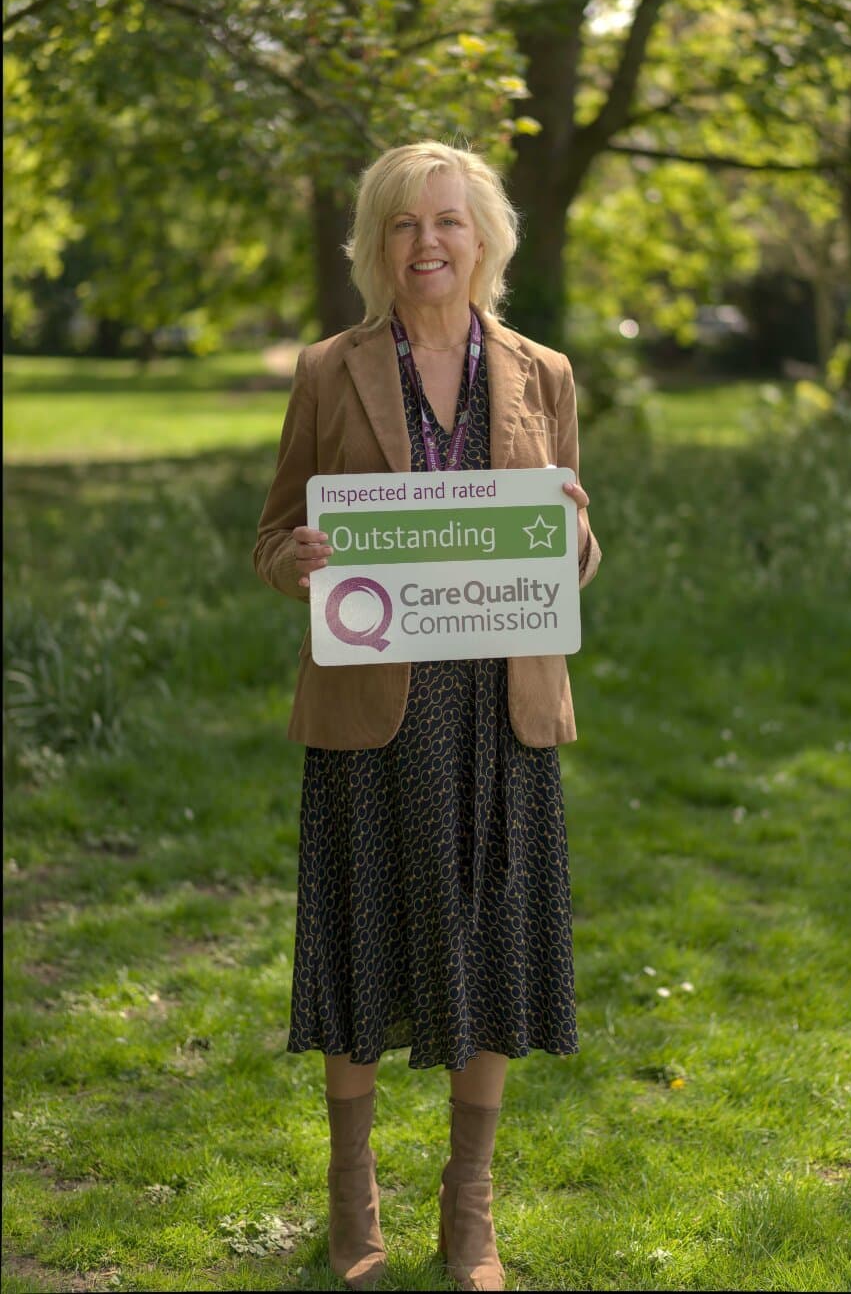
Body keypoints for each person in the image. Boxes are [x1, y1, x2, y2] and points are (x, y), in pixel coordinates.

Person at [253, 141, 600, 1292]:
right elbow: (271, 541)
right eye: (403, 226)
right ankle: (353, 1204)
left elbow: (575, 554)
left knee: (494, 946)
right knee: (359, 942)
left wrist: (574, 532)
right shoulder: (326, 369)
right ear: (376, 246)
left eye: (448, 223)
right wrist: (296, 557)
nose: (428, 245)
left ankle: (472, 1211)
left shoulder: (543, 373)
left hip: (500, 709)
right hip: (373, 707)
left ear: (485, 240)